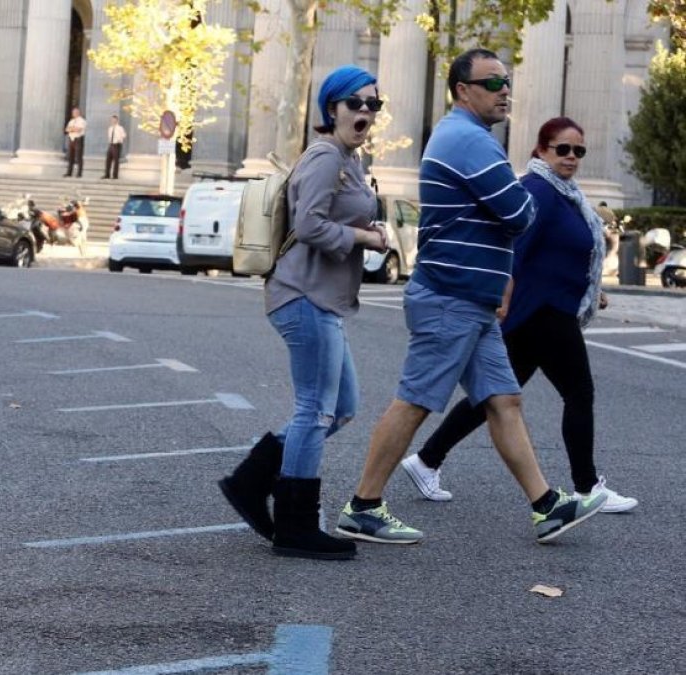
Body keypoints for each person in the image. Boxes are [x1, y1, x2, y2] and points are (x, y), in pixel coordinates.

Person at [333, 49, 606, 546]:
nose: (505, 91)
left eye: (507, 82)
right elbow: (520, 213)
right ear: (463, 90)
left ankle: (547, 505)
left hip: (472, 300)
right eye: (493, 83)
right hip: (450, 296)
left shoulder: (470, 137)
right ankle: (363, 506)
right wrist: (510, 213)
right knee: (415, 401)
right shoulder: (468, 140)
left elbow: (515, 211)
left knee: (504, 400)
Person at [400, 117, 637, 512]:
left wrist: (591, 290)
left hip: (542, 310)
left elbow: (559, 255)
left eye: (579, 151)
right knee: (578, 392)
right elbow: (514, 249)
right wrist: (502, 295)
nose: (572, 157)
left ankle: (426, 460)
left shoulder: (563, 193)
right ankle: (587, 487)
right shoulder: (539, 191)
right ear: (541, 150)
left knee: (493, 397)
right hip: (541, 311)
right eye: (563, 149)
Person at [218, 64, 390, 561]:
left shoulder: (349, 159)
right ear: (332, 108)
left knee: (341, 407)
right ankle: (295, 525)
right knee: (315, 410)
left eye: (373, 104)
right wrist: (363, 237)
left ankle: (251, 480)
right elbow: (311, 225)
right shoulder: (324, 156)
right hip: (303, 295)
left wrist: (372, 230)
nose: (364, 111)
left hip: (323, 298)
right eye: (355, 103)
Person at [64, 107, 86, 178]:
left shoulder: (82, 121)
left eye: (76, 112)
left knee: (78, 156)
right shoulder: (71, 121)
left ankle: (79, 173)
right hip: (71, 139)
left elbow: (79, 130)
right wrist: (73, 128)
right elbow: (67, 129)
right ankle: (69, 172)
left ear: (78, 113)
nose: (74, 113)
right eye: (73, 112)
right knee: (70, 156)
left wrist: (72, 129)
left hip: (78, 139)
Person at [103, 115, 126, 179]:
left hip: (117, 145)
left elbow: (124, 135)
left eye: (114, 119)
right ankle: (107, 174)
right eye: (112, 119)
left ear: (117, 120)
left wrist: (119, 139)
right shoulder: (110, 128)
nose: (113, 120)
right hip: (111, 144)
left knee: (116, 161)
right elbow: (109, 136)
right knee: (108, 159)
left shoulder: (120, 128)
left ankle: (115, 175)